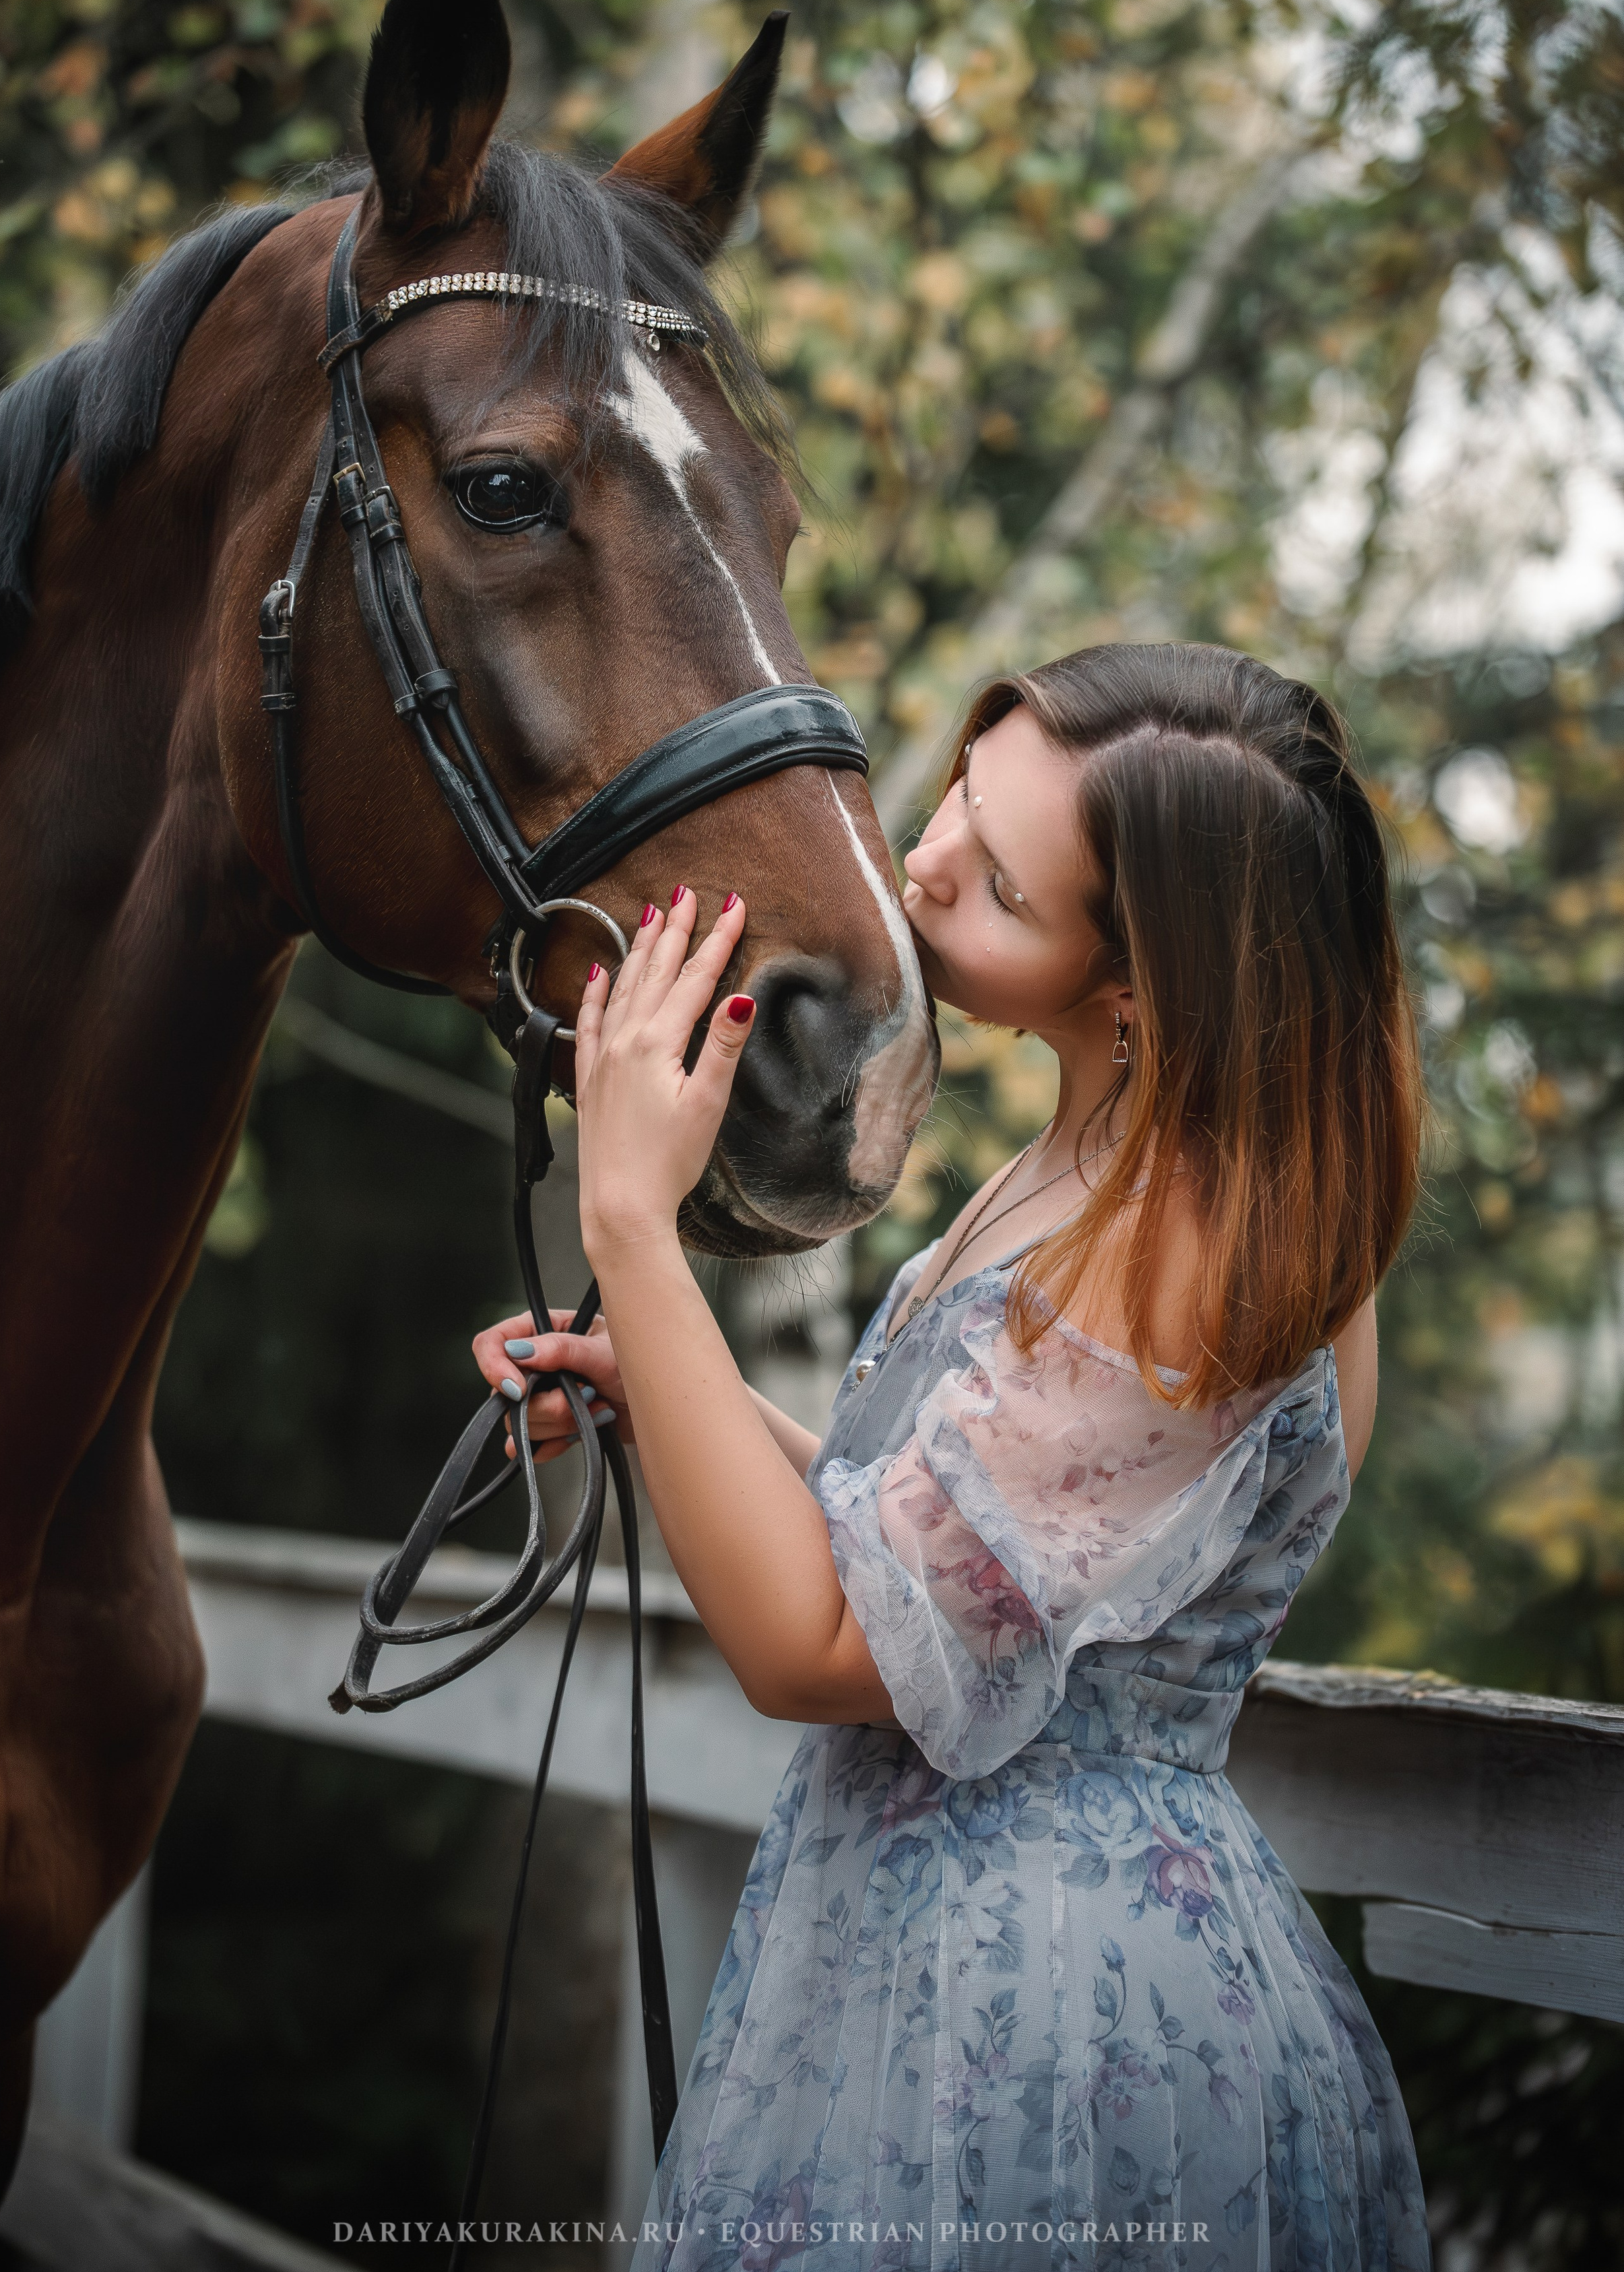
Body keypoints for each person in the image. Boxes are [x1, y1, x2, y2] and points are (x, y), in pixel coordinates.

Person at [473, 643, 1430, 2272]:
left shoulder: (1191, 1250)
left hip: (1043, 2005)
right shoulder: (1089, 1162)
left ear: (1136, 992)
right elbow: (935, 1551)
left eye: (997, 885)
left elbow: (819, 1648)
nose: (918, 865)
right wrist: (673, 1392)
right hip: (924, 1932)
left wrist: (630, 1218)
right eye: (957, 804)